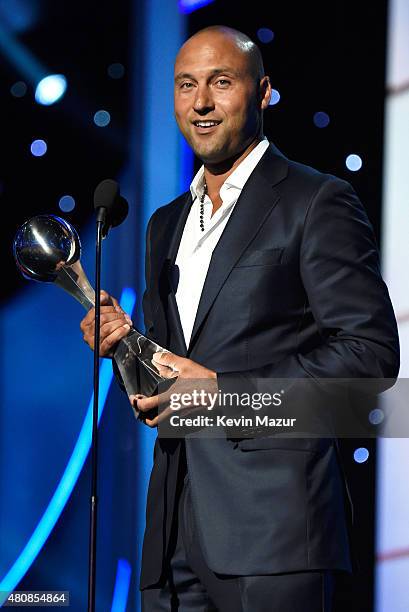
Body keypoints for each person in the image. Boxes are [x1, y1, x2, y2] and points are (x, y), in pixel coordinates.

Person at [80, 25, 399, 612]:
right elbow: (173, 380)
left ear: (264, 92)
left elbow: (369, 356)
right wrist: (126, 348)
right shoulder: (165, 224)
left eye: (220, 82)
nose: (200, 102)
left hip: (276, 532)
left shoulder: (315, 200)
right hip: (173, 529)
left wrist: (227, 396)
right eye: (186, 85)